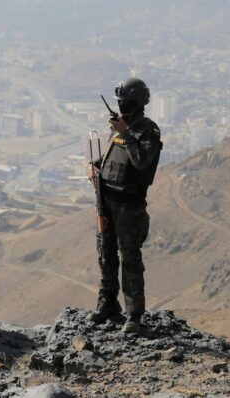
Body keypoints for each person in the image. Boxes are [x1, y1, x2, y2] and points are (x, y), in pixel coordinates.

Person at [87, 77, 162, 333]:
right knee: (105, 254)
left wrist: (126, 134)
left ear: (137, 104)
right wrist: (95, 166)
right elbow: (113, 156)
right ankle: (107, 303)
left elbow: (141, 161)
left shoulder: (147, 130)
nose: (120, 107)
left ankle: (134, 315)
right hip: (107, 199)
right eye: (119, 102)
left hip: (129, 206)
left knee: (129, 258)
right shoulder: (122, 129)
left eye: (124, 103)